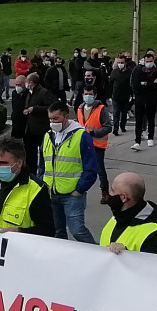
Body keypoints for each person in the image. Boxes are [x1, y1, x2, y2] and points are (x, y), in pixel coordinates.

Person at [41, 101, 99, 243]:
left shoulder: (81, 136)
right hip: (51, 192)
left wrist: (79, 189)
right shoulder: (48, 136)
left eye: (56, 119)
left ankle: (96, 253)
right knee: (57, 231)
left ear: (66, 117)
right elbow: (42, 164)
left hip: (72, 194)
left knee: (77, 230)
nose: (52, 122)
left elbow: (91, 167)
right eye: (50, 119)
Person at [0, 138, 54, 235]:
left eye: (4, 163)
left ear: (19, 163)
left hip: (20, 247)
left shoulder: (37, 189)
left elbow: (48, 230)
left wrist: (19, 232)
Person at [101, 172, 157, 254]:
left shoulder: (154, 234)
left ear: (123, 197)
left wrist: (128, 254)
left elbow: (156, 265)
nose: (109, 194)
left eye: (112, 190)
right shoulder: (118, 216)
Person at [77, 84, 112, 199]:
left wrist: (93, 133)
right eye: (86, 94)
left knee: (99, 169)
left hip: (97, 144)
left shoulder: (101, 109)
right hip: (83, 143)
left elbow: (108, 127)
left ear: (95, 95)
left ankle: (105, 191)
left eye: (90, 94)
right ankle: (80, 188)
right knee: (81, 168)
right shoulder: (80, 108)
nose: (88, 96)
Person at [22, 72, 54, 170]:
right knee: (30, 152)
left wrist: (35, 109)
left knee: (42, 152)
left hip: (41, 128)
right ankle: (31, 171)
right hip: (31, 129)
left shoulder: (44, 92)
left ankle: (42, 171)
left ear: (31, 82)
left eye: (26, 82)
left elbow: (50, 107)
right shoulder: (30, 93)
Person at [130, 52, 157, 150]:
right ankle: (137, 140)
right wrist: (150, 84)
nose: (149, 63)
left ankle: (150, 137)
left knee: (151, 118)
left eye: (151, 61)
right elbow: (136, 85)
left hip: (151, 98)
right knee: (139, 120)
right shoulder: (138, 70)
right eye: (147, 61)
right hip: (140, 98)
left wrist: (146, 84)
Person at [110, 55, 132, 134]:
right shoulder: (114, 72)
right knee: (116, 113)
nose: (120, 64)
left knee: (124, 114)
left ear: (125, 63)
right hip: (116, 96)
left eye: (122, 62)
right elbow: (110, 83)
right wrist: (110, 94)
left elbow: (131, 84)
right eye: (118, 62)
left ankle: (122, 126)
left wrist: (131, 95)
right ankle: (115, 129)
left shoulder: (129, 72)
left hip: (125, 97)